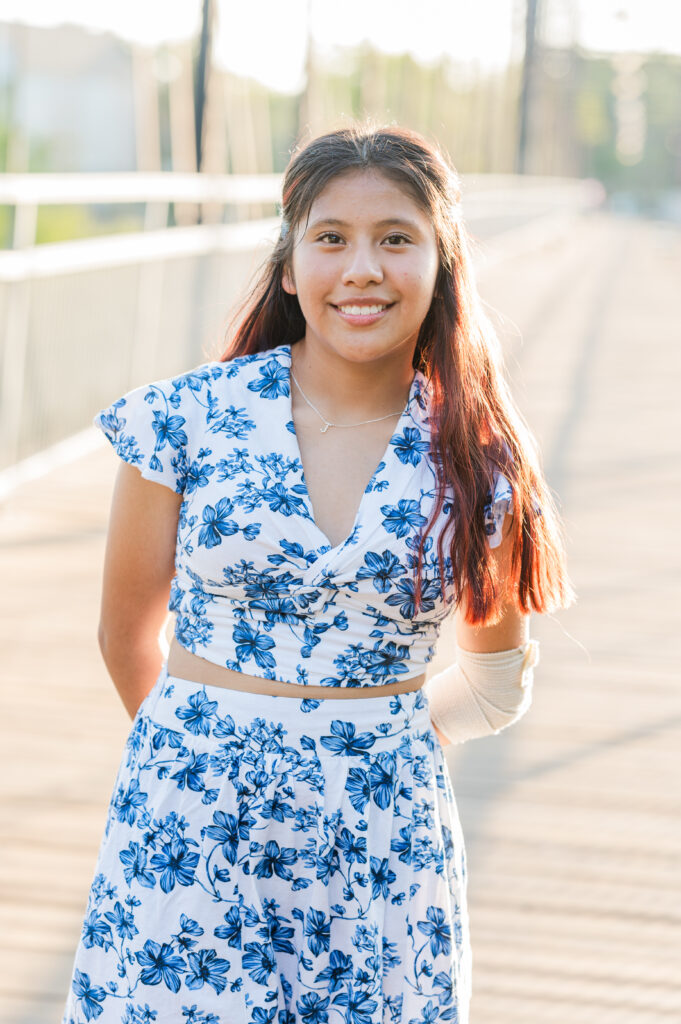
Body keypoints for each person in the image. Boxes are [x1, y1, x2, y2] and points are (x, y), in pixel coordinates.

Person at [62, 123, 573, 1024]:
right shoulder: (181, 422)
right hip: (188, 818)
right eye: (330, 238)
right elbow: (124, 635)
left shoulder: (478, 461)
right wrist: (203, 748)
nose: (362, 267)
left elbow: (495, 685)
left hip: (382, 839)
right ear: (291, 267)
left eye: (396, 239)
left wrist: (372, 745)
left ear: (442, 262)